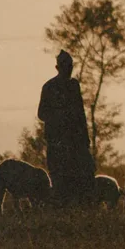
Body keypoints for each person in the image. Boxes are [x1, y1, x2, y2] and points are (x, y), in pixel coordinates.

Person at [37, 50, 95, 207]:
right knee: (60, 182)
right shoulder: (49, 87)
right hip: (57, 143)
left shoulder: (73, 85)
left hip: (75, 143)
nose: (68, 69)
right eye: (65, 66)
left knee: (80, 181)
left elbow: (80, 114)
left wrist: (85, 139)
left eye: (70, 66)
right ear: (58, 67)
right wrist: (60, 116)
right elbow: (42, 114)